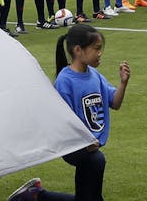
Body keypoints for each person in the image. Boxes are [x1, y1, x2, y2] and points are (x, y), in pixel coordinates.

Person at [7, 23, 130, 201]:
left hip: (89, 146)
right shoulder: (65, 81)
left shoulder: (95, 75)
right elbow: (63, 122)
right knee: (96, 160)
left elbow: (115, 103)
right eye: (96, 48)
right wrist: (84, 142)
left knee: (88, 195)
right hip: (73, 146)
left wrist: (123, 83)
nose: (100, 53)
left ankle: (35, 196)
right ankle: (38, 196)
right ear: (78, 50)